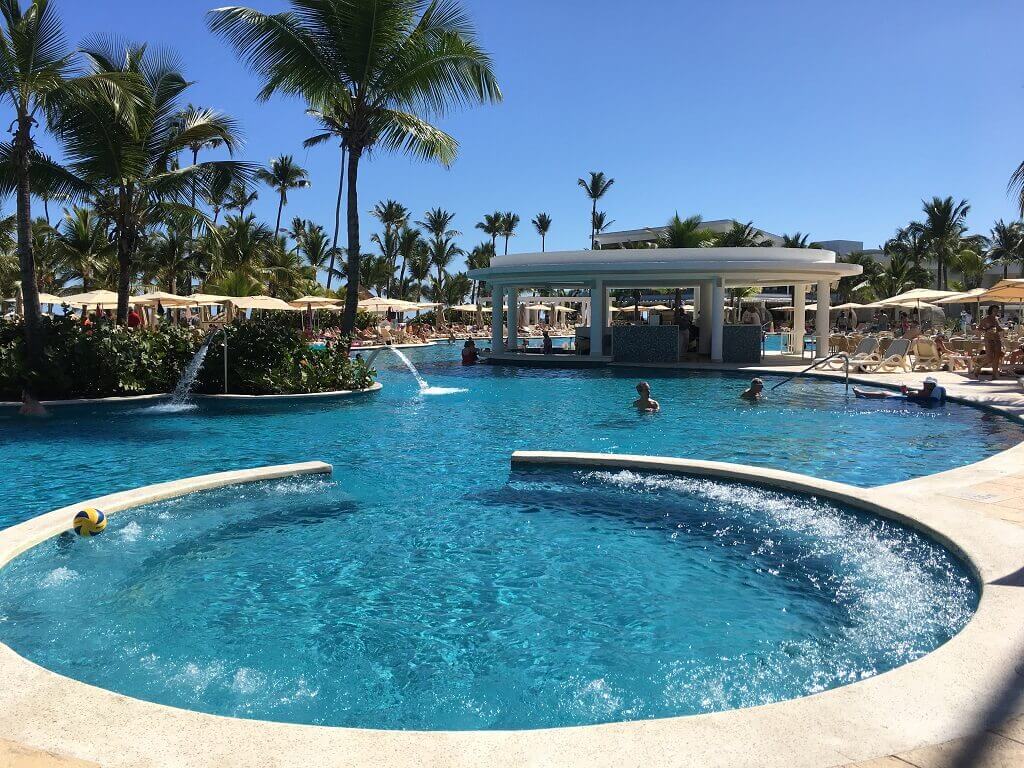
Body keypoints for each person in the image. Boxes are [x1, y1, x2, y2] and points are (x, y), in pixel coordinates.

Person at [854, 376, 947, 405]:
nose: (923, 385)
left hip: (904, 399)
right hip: (906, 398)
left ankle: (861, 393)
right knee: (884, 393)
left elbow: (913, 395)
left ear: (929, 385)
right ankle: (862, 393)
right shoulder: (929, 393)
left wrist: (908, 392)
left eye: (925, 384)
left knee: (883, 394)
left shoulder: (926, 392)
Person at [973, 305, 1004, 380]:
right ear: (991, 311)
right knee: (990, 358)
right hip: (988, 339)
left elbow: (998, 329)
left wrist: (1002, 329)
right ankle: (978, 368)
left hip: (997, 339)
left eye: (997, 311)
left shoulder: (997, 319)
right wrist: (987, 330)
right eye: (994, 310)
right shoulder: (985, 319)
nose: (996, 312)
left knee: (997, 358)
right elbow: (979, 328)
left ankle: (994, 375)